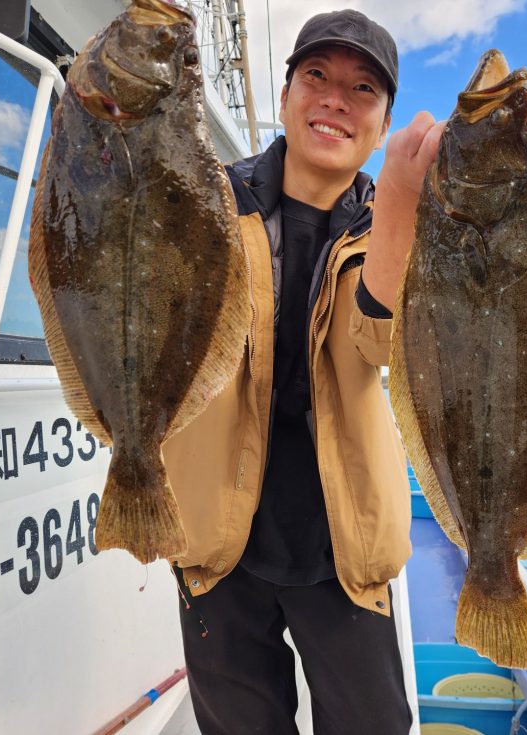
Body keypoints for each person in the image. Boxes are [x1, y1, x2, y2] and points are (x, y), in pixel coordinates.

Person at [162, 9, 444, 734]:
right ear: (286, 95)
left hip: (340, 542)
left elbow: (375, 339)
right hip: (218, 539)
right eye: (316, 75)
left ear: (382, 126)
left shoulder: (398, 224)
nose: (334, 100)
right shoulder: (210, 201)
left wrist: (406, 206)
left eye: (362, 89)